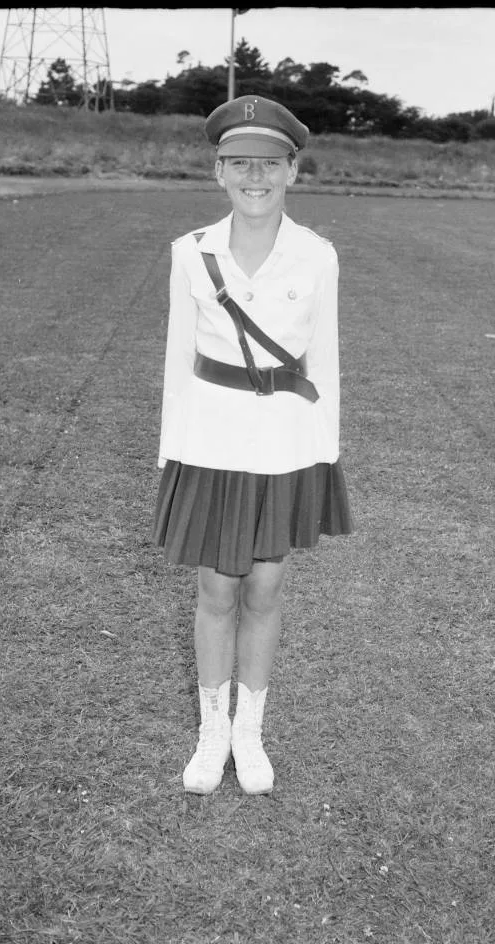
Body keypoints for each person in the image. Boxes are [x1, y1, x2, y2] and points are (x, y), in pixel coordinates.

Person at [152, 94, 353, 796]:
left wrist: (323, 452)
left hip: (285, 446)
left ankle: (250, 731)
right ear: (219, 173)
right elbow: (180, 357)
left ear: (293, 171)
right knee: (215, 586)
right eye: (240, 163)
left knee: (265, 587)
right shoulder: (191, 253)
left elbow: (322, 360)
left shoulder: (319, 256)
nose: (255, 177)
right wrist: (169, 449)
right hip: (209, 438)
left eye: (270, 164)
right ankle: (212, 730)